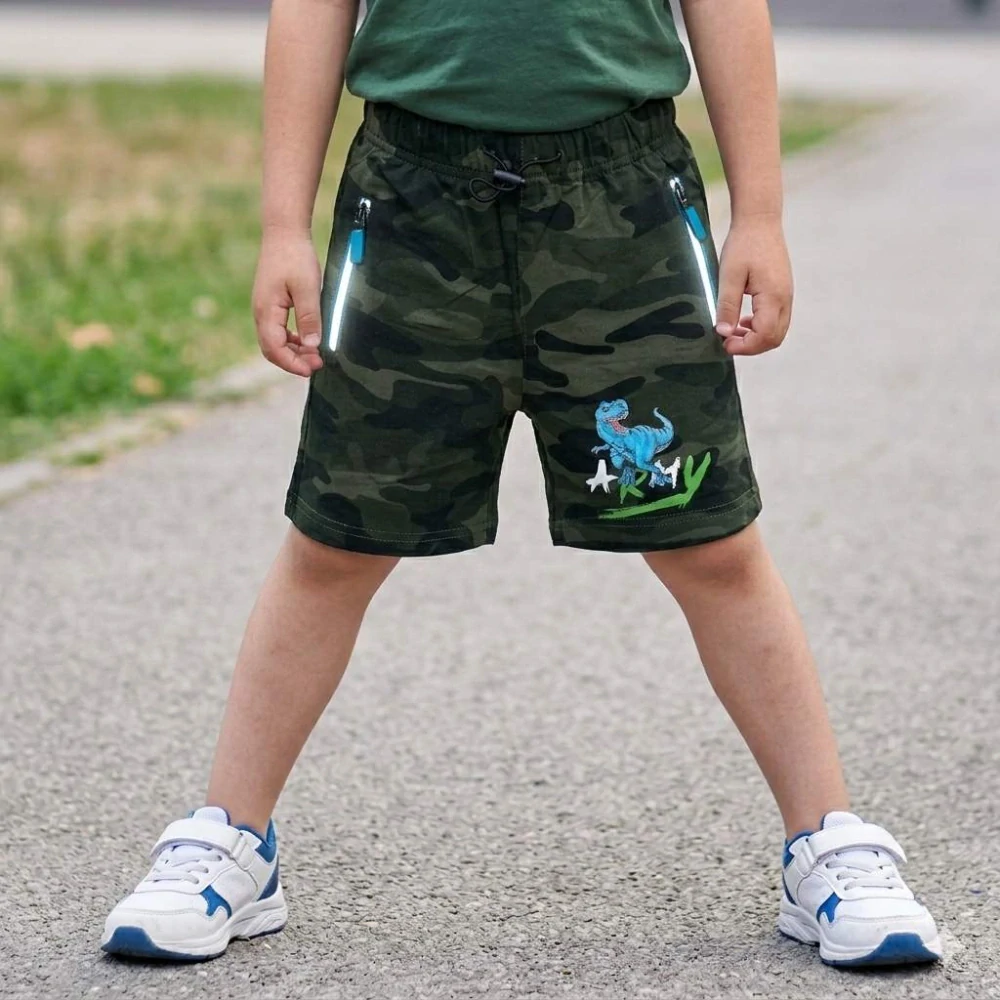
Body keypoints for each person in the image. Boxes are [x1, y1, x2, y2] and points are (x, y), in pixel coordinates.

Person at [101, 0, 942, 968]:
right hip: (410, 204)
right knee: (337, 538)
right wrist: (281, 225)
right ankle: (230, 839)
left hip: (622, 200)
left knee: (709, 540)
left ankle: (827, 842)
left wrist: (761, 213)